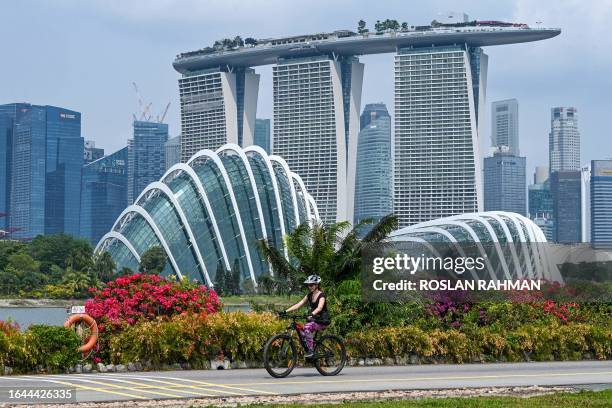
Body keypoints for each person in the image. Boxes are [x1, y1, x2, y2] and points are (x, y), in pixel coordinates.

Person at [285, 274, 330, 358]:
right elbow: (299, 304)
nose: (310, 287)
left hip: (322, 320)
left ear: (317, 285)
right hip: (314, 319)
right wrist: (285, 311)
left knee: (307, 327)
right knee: (302, 330)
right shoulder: (309, 295)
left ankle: (311, 351)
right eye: (308, 285)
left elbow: (319, 308)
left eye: (312, 285)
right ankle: (310, 346)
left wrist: (312, 314)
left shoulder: (321, 295)